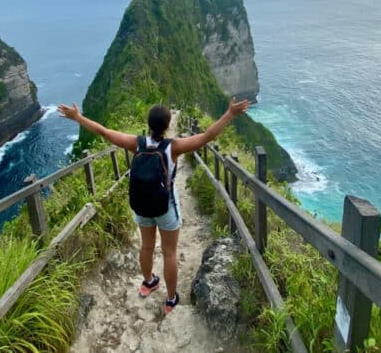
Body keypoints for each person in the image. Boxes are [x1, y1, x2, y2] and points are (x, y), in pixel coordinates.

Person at [57, 98, 250, 314]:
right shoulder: (173, 147)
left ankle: (148, 282)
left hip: (141, 205)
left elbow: (104, 132)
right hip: (165, 206)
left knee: (146, 247)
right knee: (169, 253)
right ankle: (170, 299)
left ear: (148, 125)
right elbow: (207, 136)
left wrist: (78, 117)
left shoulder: (136, 143)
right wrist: (230, 114)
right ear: (168, 126)